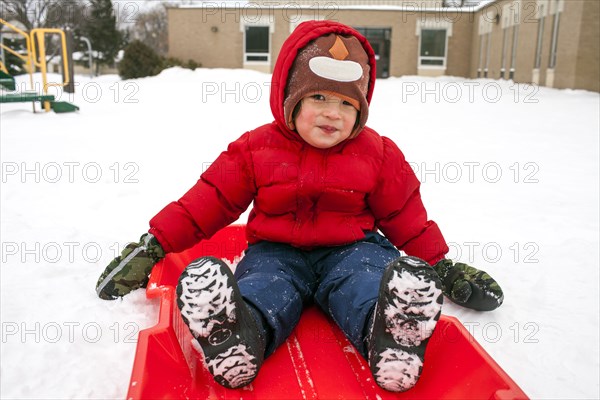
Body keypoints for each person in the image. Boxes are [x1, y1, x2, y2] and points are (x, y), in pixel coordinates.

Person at [95, 20, 504, 392]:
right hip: (276, 251)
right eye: (320, 97)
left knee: (363, 285)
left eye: (347, 104)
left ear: (361, 109)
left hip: (353, 249)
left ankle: (391, 334)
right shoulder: (257, 148)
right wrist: (153, 246)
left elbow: (407, 217)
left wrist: (442, 266)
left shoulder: (377, 153)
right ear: (289, 97)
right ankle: (238, 334)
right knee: (264, 290)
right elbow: (208, 200)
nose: (332, 112)